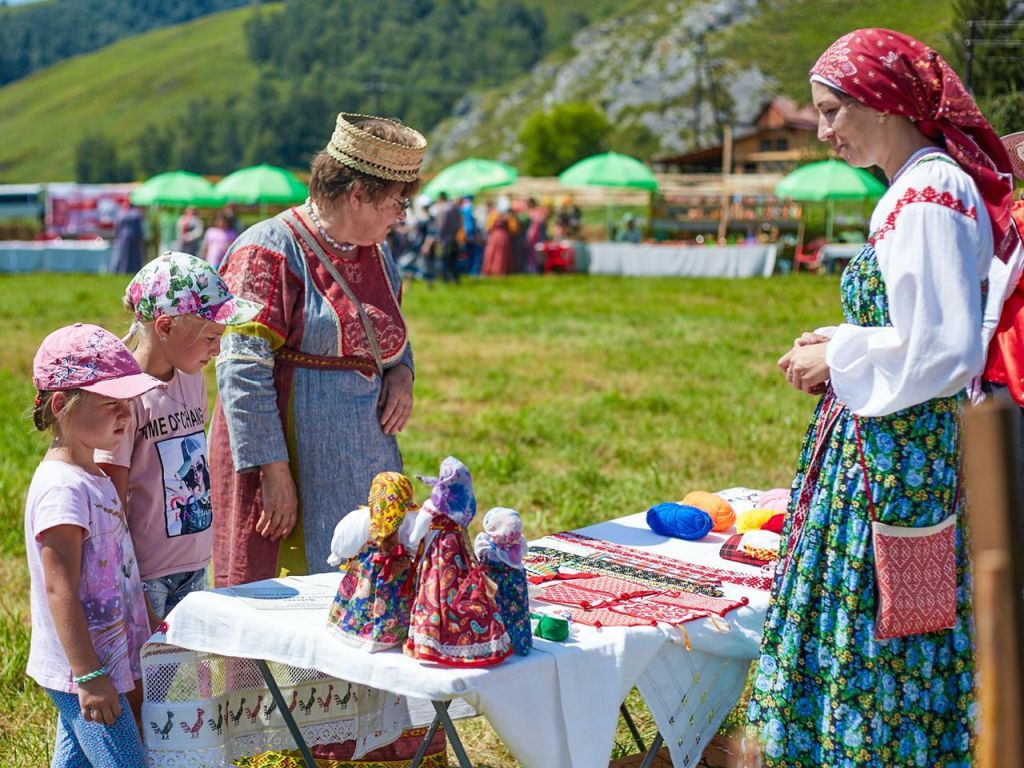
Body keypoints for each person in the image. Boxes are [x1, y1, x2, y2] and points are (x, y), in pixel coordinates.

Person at [749, 28, 1018, 766]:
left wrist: (838, 356)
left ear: (886, 103)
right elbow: (913, 324)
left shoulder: (930, 194)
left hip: (900, 457)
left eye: (832, 111)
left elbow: (945, 348)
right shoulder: (914, 189)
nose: (823, 131)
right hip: (888, 447)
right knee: (880, 612)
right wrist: (841, 336)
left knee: (888, 617)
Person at [209, 111, 425, 587]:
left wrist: (402, 373)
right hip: (287, 462)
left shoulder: (377, 254)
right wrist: (273, 472)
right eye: (397, 201)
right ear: (358, 194)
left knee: (369, 583)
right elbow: (241, 370)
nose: (402, 215)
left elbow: (389, 336)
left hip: (363, 460)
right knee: (286, 596)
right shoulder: (267, 248)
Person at [25, 323, 165, 766]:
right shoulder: (63, 490)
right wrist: (88, 675)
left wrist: (148, 618)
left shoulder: (95, 476)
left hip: (102, 663)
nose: (126, 414)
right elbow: (59, 589)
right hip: (84, 668)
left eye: (128, 403)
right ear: (62, 405)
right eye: (111, 404)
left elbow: (118, 567)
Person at [96, 252, 261, 619]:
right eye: (211, 337)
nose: (217, 349)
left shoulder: (191, 380)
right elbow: (111, 501)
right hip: (146, 574)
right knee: (148, 655)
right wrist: (125, 579)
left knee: (184, 657)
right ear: (166, 327)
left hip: (195, 564)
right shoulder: (124, 398)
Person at [109, 201, 145, 275]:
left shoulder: (134, 213)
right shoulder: (122, 213)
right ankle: (123, 270)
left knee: (131, 255)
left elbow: (138, 227)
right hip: (125, 237)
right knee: (123, 254)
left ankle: (131, 270)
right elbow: (117, 227)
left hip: (131, 237)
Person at [482, 198, 515, 276]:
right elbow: (513, 228)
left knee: (493, 253)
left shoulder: (494, 214)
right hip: (503, 236)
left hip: (495, 236)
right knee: (500, 254)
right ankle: (500, 270)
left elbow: (488, 227)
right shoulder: (506, 216)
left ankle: (492, 269)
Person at [434, 191, 462, 283]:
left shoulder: (443, 209)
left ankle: (445, 279)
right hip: (454, 237)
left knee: (444, 259)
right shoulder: (455, 208)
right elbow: (460, 223)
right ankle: (455, 278)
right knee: (454, 259)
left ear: (440, 198)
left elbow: (441, 225)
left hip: (444, 238)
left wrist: (438, 236)